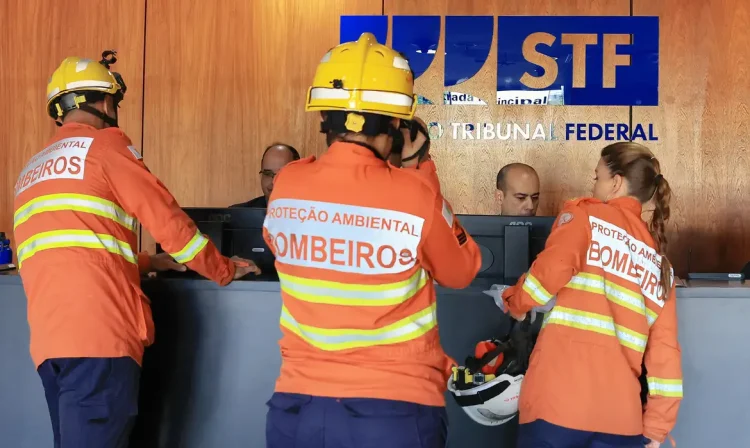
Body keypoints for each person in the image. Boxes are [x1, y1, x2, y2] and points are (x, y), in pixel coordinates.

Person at [13, 51, 258, 448]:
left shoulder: (30, 172)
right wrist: (224, 268)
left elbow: (73, 247)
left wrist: (150, 262)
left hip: (51, 346)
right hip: (101, 339)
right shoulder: (106, 150)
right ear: (106, 101)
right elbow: (173, 225)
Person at [261, 33, 482, 448]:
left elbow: (279, 245)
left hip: (298, 410)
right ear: (398, 123)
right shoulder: (415, 194)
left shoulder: (287, 184)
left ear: (323, 115)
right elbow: (461, 270)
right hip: (393, 412)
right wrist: (420, 169)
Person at [501, 142, 682, 448]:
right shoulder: (659, 265)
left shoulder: (586, 218)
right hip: (620, 420)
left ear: (616, 182)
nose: (594, 184)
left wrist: (515, 302)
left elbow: (546, 276)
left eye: (597, 177)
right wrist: (655, 429)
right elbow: (666, 358)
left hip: (558, 406)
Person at [231, 143, 301, 208]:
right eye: (267, 173)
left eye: (281, 174)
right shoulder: (236, 215)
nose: (273, 181)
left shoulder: (309, 213)